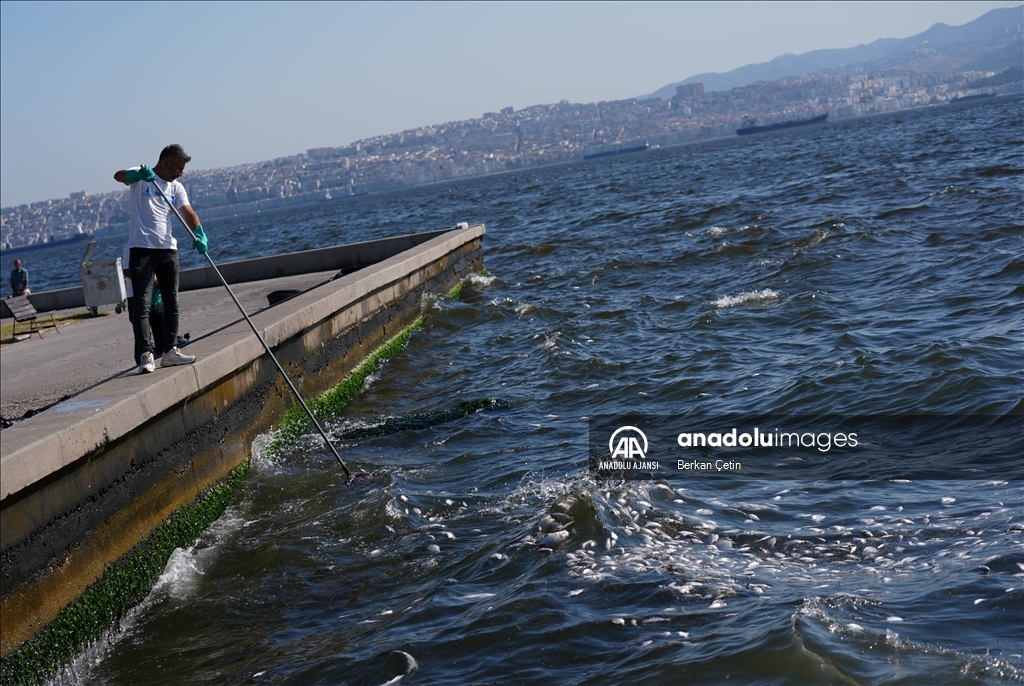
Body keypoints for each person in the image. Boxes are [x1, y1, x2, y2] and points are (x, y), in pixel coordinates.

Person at [115, 144, 209, 374]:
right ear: (166, 163)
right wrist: (136, 175)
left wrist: (199, 232)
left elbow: (188, 212)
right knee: (142, 305)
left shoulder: (176, 187)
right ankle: (146, 354)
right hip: (142, 249)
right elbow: (119, 176)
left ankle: (170, 351)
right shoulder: (141, 176)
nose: (181, 173)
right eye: (178, 167)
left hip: (168, 249)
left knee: (172, 302)